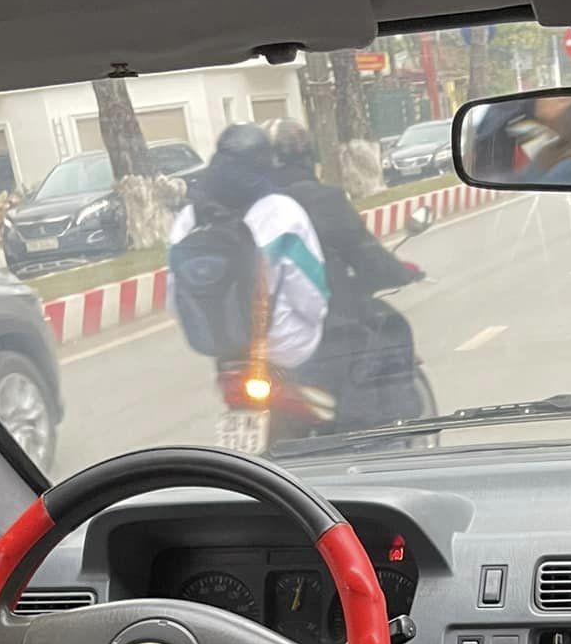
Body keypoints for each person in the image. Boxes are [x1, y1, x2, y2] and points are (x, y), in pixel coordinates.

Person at [268, 118, 428, 429]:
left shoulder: (252, 207)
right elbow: (366, 255)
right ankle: (377, 430)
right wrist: (397, 273)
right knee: (391, 329)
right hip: (325, 317)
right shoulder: (324, 200)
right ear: (307, 155)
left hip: (258, 328)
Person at [168, 124, 329, 384]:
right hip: (285, 346)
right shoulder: (282, 211)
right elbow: (312, 297)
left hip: (222, 349)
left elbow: (173, 296)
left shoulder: (189, 218)